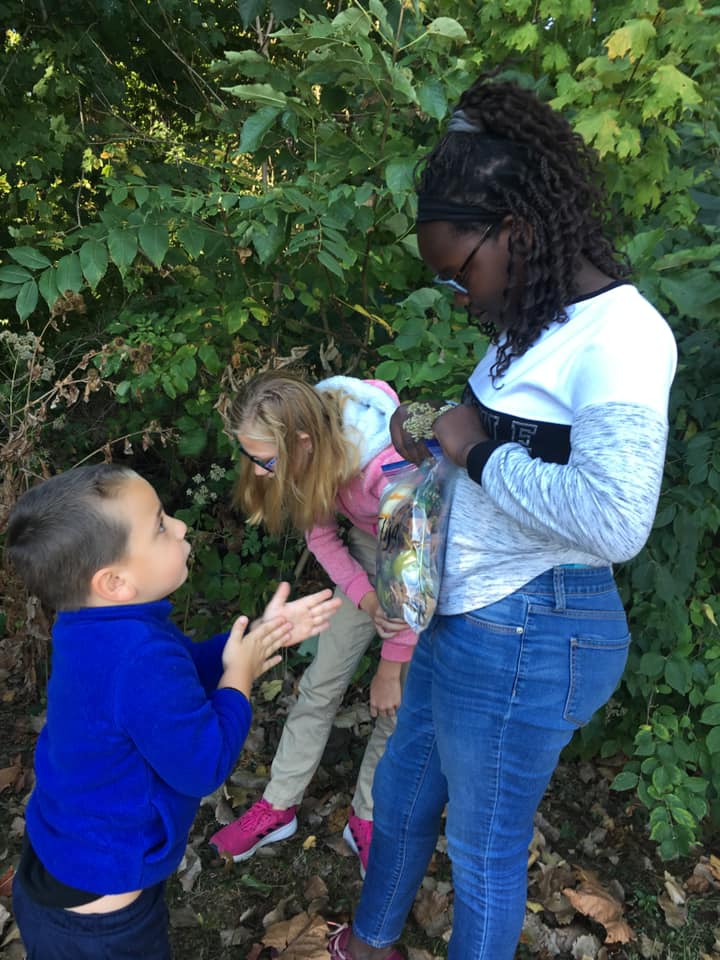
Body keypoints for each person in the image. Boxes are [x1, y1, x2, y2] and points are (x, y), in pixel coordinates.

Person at [326, 76, 677, 960]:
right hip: (470, 613)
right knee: (403, 795)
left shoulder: (623, 338)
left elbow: (615, 516)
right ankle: (370, 945)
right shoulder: (533, 323)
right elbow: (500, 436)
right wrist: (438, 437)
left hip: (534, 626)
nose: (459, 296)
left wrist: (476, 451)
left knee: (482, 853)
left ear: (514, 229)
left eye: (459, 272)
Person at [5, 463, 341, 960]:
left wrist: (249, 642)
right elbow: (203, 765)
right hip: (104, 923)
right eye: (161, 525)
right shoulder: (138, 655)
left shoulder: (91, 624)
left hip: (63, 860)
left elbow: (171, 680)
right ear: (115, 581)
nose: (181, 527)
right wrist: (239, 680)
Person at [209, 371, 416, 876]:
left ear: (301, 443)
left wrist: (391, 666)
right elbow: (322, 539)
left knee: (396, 704)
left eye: (267, 460)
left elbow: (413, 574)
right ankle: (279, 805)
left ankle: (368, 816)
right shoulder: (310, 444)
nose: (258, 471)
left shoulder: (388, 468)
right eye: (252, 457)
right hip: (372, 550)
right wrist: (365, 599)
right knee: (320, 684)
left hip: (420, 558)